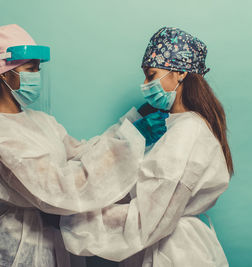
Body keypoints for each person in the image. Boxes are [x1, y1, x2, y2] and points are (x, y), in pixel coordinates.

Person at [0, 24, 168, 267]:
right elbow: (60, 189)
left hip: (55, 237)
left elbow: (82, 154)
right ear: (3, 74)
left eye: (38, 68)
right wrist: (132, 140)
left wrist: (130, 127)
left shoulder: (39, 121)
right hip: (19, 244)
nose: (36, 75)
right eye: (30, 68)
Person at [60, 27, 234, 267]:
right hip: (163, 246)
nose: (144, 84)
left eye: (151, 75)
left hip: (175, 254)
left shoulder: (187, 131)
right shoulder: (174, 126)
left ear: (181, 72)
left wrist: (76, 220)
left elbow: (147, 218)